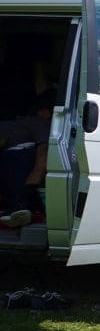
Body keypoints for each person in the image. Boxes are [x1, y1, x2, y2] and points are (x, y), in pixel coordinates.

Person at [0, 92, 52, 229]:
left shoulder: (16, 124)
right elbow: (43, 156)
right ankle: (21, 205)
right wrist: (28, 192)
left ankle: (19, 206)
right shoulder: (40, 123)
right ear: (44, 111)